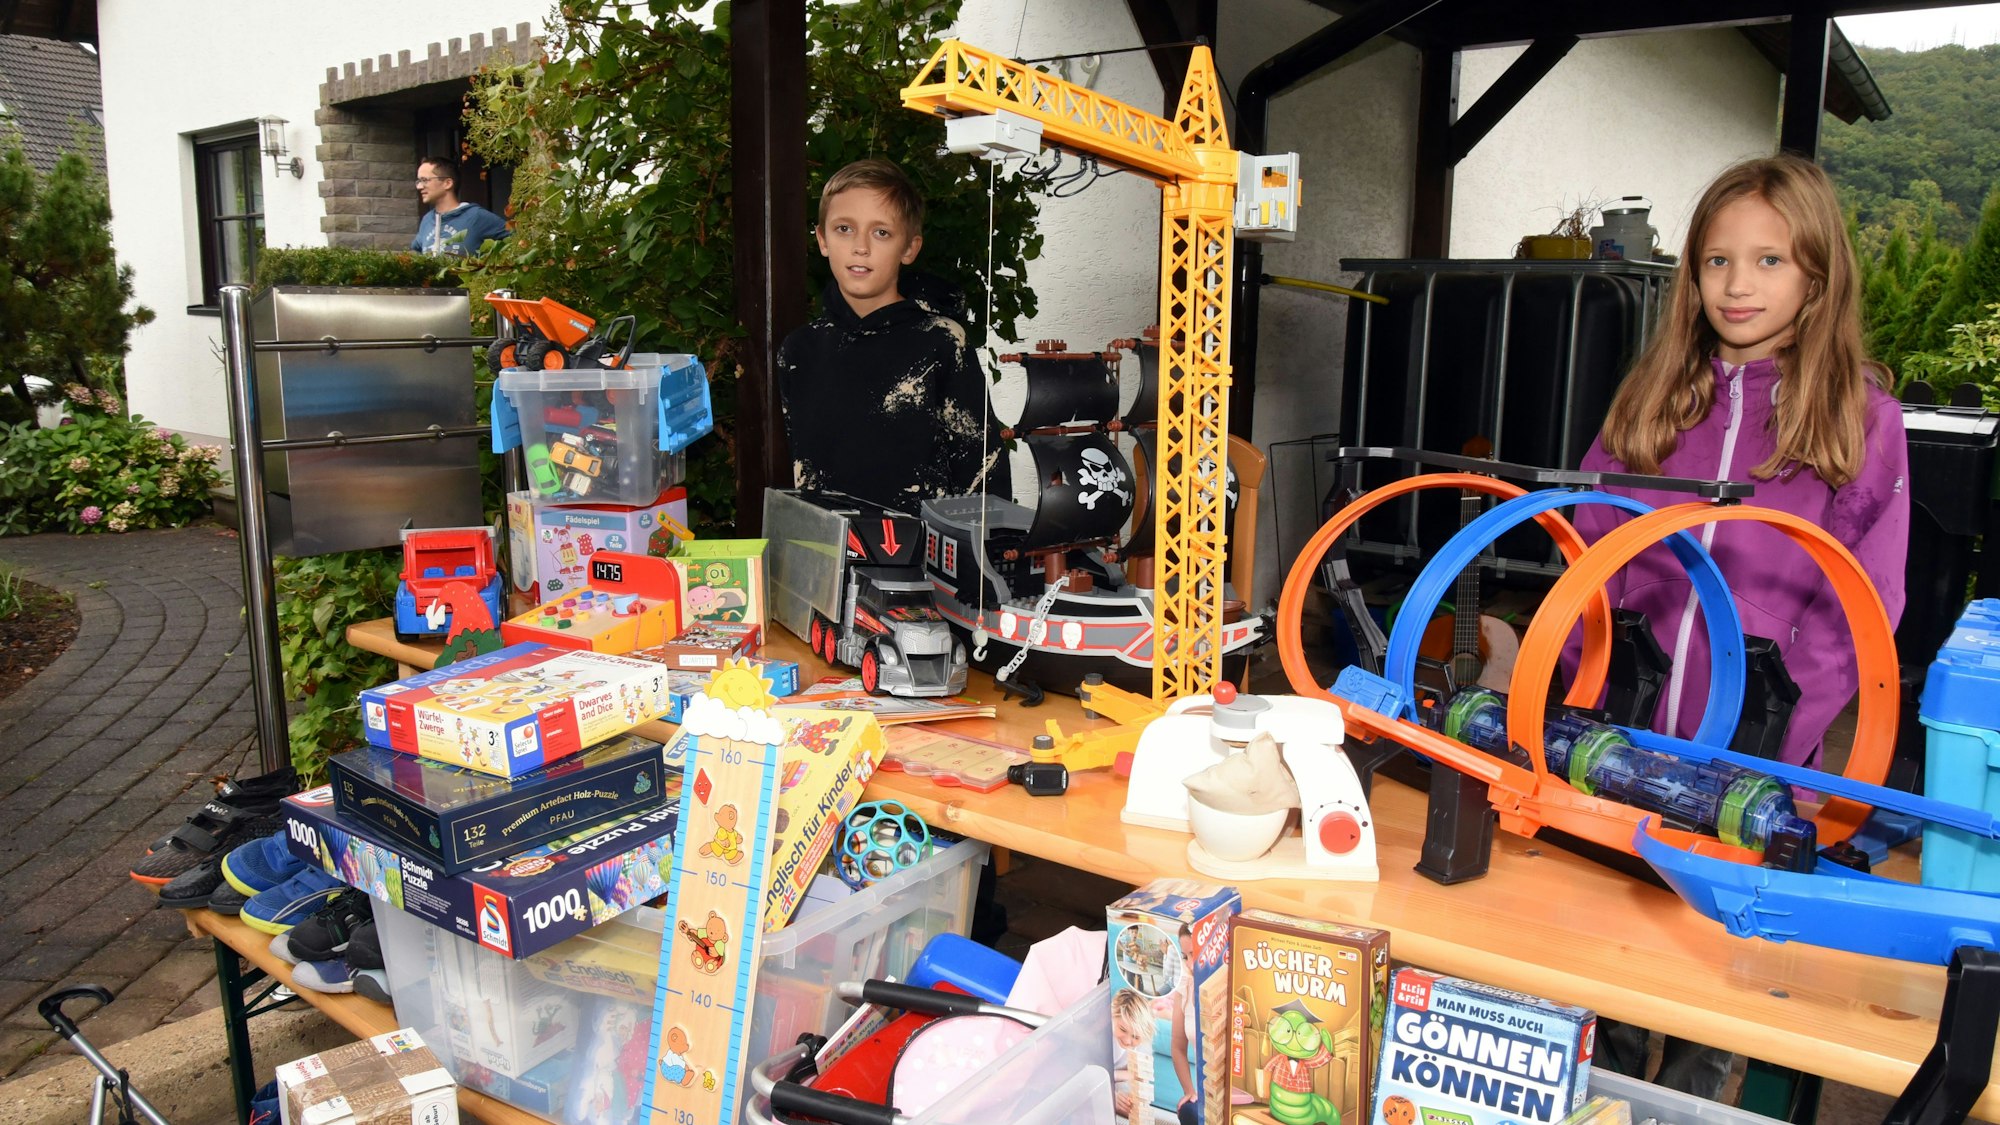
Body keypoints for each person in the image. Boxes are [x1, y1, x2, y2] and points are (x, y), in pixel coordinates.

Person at [1566, 153, 1909, 1096]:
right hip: (1622, 745)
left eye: (1769, 261)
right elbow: (1588, 555)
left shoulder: (1861, 419)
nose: (1739, 284)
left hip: (1751, 766)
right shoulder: (1651, 399)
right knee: (1610, 969)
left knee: (1716, 987)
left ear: (1817, 276)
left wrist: (1779, 727)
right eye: (1718, 261)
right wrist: (1580, 684)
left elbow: (1864, 605)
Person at [778, 158, 1000, 512]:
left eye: (881, 232)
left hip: (923, 560)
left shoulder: (941, 342)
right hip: (831, 557)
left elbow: (983, 472)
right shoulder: (799, 350)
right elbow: (800, 472)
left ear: (909, 248)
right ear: (822, 239)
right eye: (844, 229)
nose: (860, 246)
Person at [410, 157, 508, 257]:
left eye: (425, 180)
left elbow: (517, 240)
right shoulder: (427, 220)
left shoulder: (476, 217)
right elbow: (416, 253)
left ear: (447, 183)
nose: (419, 187)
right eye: (419, 181)